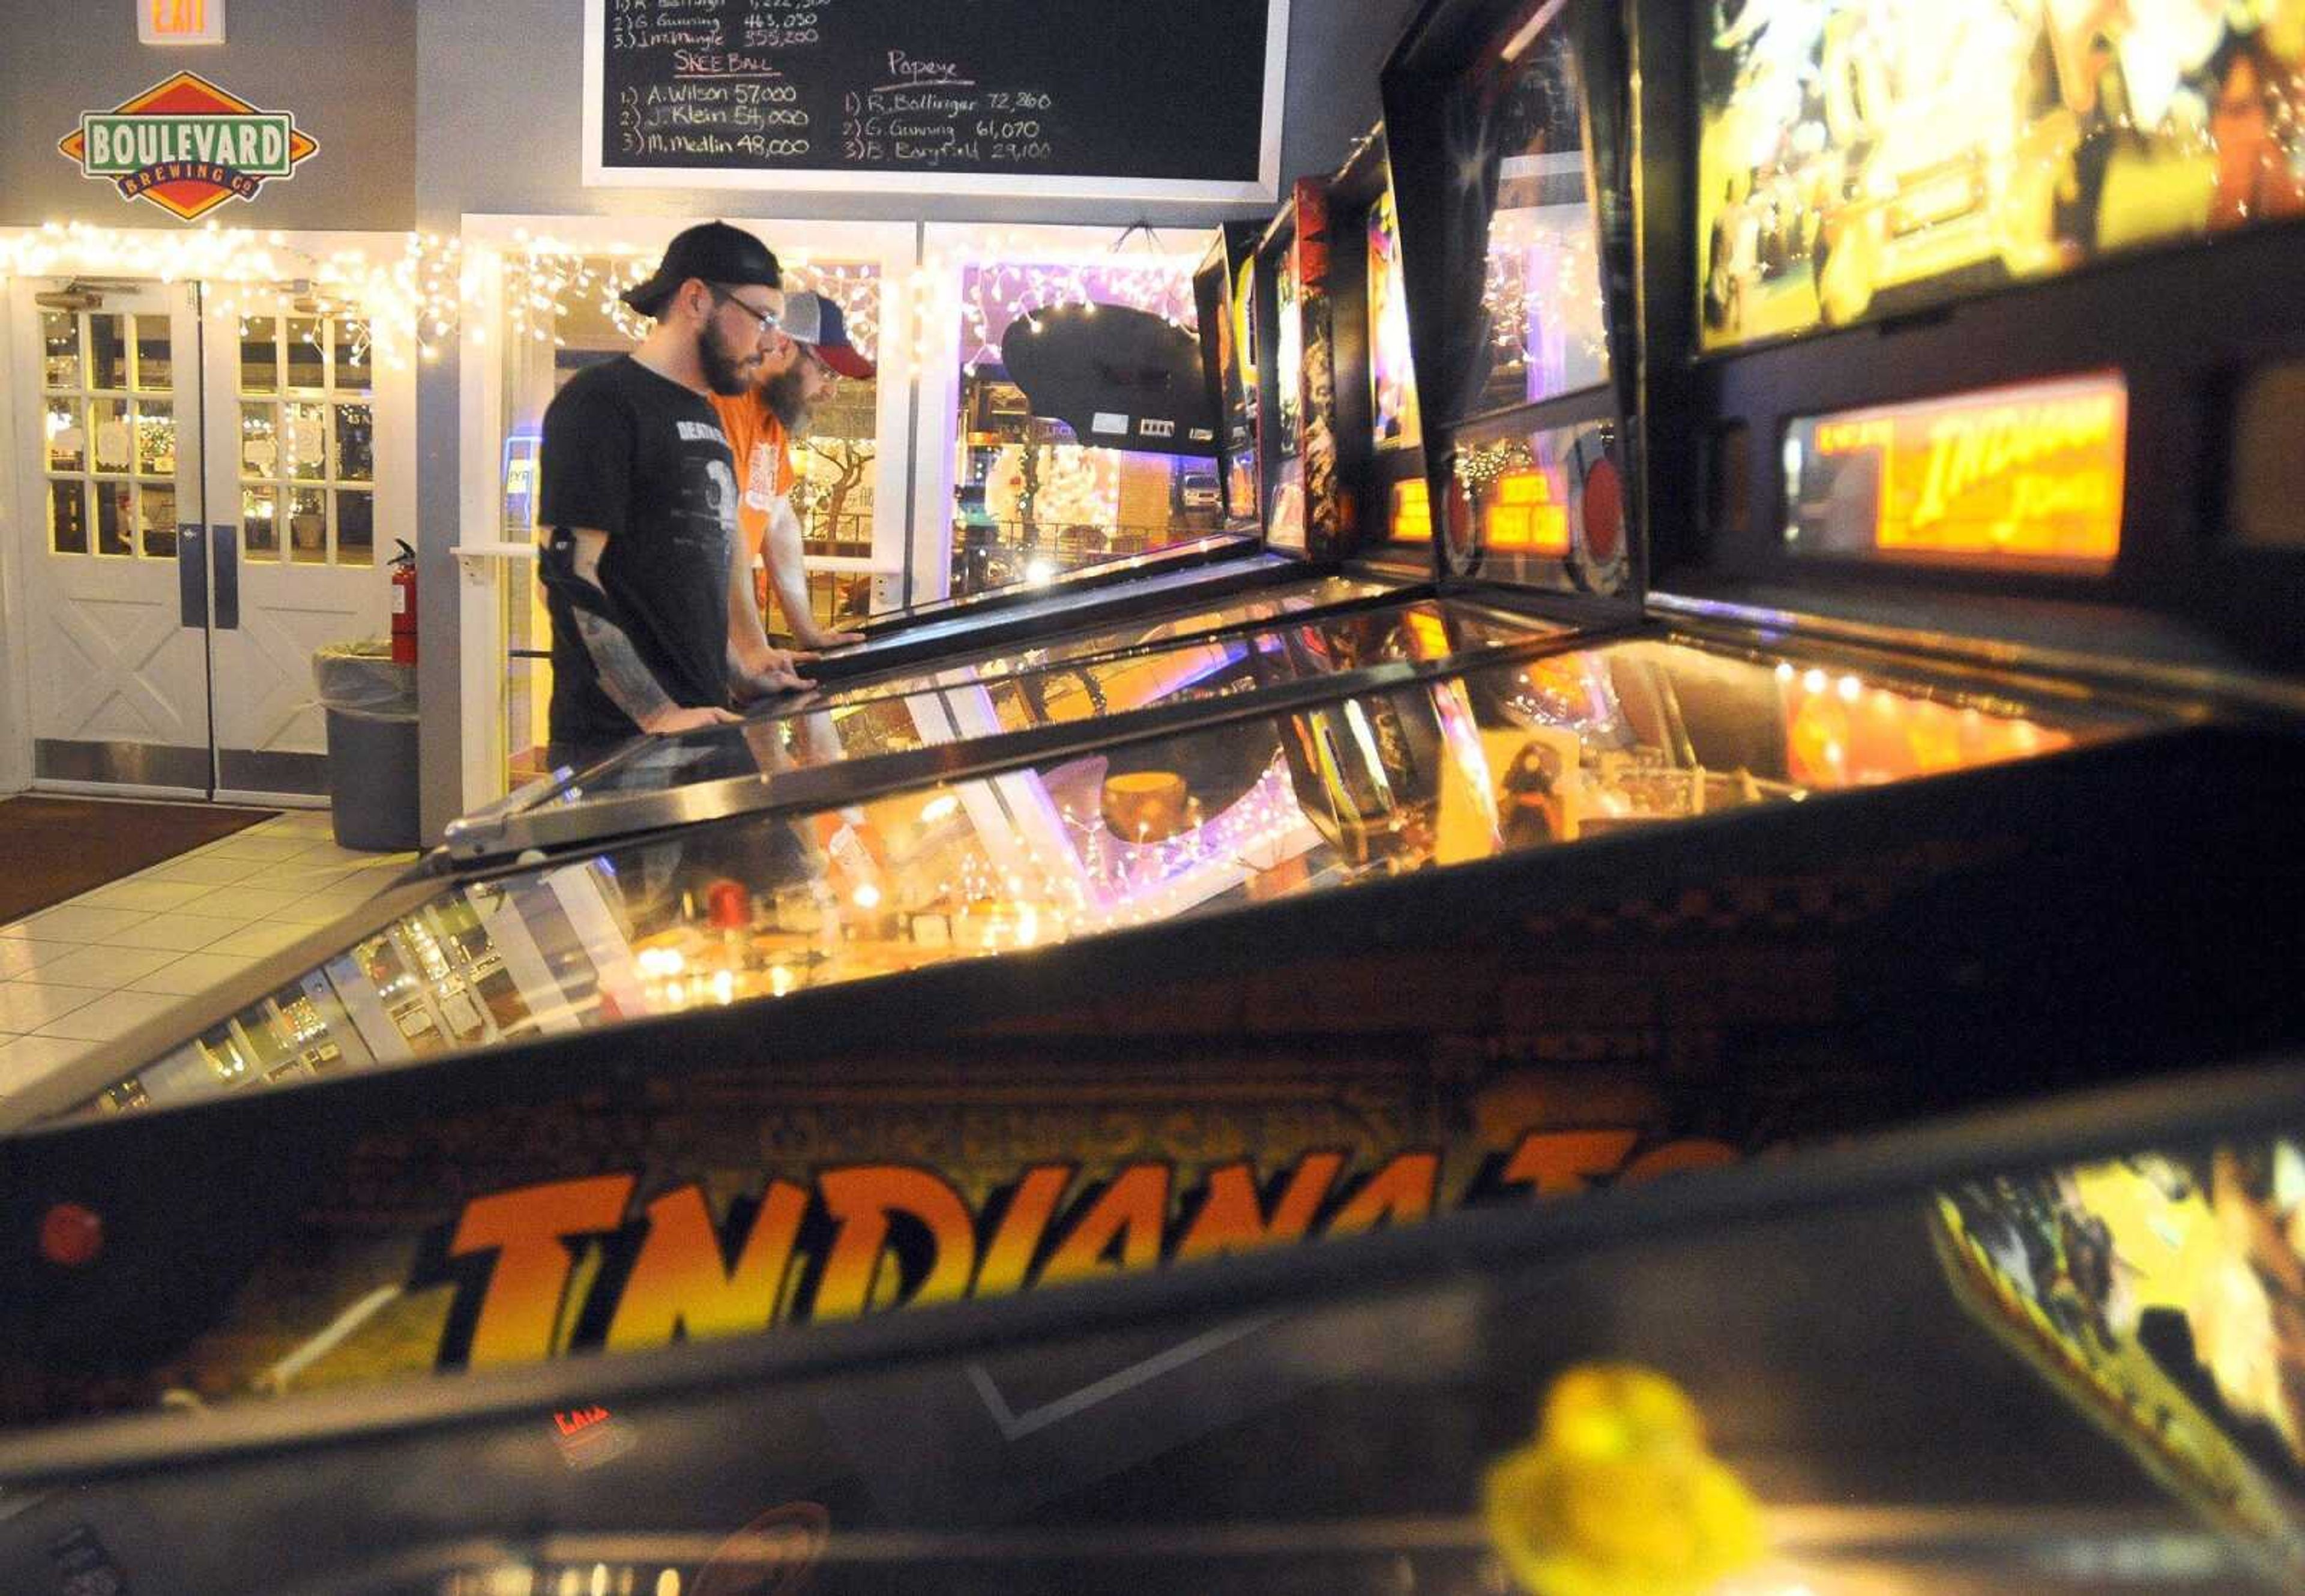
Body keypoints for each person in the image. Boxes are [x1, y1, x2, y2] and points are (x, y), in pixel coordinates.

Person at [536, 221, 811, 772]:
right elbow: (566, 576)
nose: (769, 343)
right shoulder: (601, 402)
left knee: (792, 860)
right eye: (763, 317)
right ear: (696, 299)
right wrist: (654, 711)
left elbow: (689, 586)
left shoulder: (703, 412)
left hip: (702, 720)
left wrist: (739, 670)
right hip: (622, 745)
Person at [707, 288, 876, 650]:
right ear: (783, 345)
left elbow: (780, 521)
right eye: (827, 372)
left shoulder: (768, 419)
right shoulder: (721, 405)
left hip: (714, 637)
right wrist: (754, 650)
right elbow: (721, 535)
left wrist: (808, 633)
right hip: (680, 640)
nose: (829, 391)